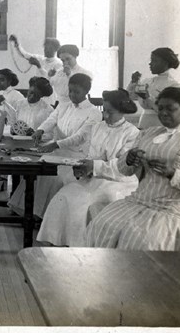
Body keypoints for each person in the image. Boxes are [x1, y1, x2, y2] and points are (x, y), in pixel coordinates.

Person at [85, 87, 180, 251]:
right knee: (103, 224)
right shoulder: (147, 134)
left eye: (170, 108)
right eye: (160, 108)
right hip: (141, 200)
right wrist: (129, 159)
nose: (163, 113)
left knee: (143, 240)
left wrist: (174, 174)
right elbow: (125, 171)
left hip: (177, 207)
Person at [37, 89, 139, 246]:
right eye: (104, 111)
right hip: (95, 177)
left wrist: (94, 166)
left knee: (84, 202)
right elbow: (92, 155)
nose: (105, 116)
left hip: (118, 181)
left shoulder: (132, 133)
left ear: (122, 111)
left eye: (110, 112)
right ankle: (57, 240)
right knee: (64, 195)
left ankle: (81, 247)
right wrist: (83, 167)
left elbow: (123, 167)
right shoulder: (98, 127)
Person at [9, 73, 102, 218]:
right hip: (57, 153)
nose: (72, 95)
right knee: (37, 172)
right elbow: (51, 120)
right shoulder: (64, 106)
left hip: (77, 156)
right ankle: (30, 213)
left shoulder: (94, 112)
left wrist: (55, 144)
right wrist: (40, 130)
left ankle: (44, 217)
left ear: (86, 92)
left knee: (55, 177)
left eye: (76, 92)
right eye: (70, 90)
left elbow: (80, 137)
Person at [126, 47, 180, 129]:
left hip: (160, 127)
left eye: (154, 61)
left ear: (165, 62)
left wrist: (147, 98)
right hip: (143, 124)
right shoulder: (147, 82)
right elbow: (130, 97)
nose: (150, 64)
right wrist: (134, 82)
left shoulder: (173, 85)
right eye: (151, 60)